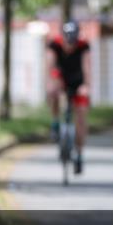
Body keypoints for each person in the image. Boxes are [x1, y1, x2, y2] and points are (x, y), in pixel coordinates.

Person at [46, 20, 90, 174]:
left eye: (73, 41)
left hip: (78, 82)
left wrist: (86, 86)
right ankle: (55, 123)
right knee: (53, 92)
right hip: (61, 79)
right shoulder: (54, 45)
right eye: (67, 41)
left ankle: (79, 154)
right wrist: (51, 84)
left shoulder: (83, 46)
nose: (70, 45)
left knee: (81, 118)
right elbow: (50, 66)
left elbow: (87, 67)